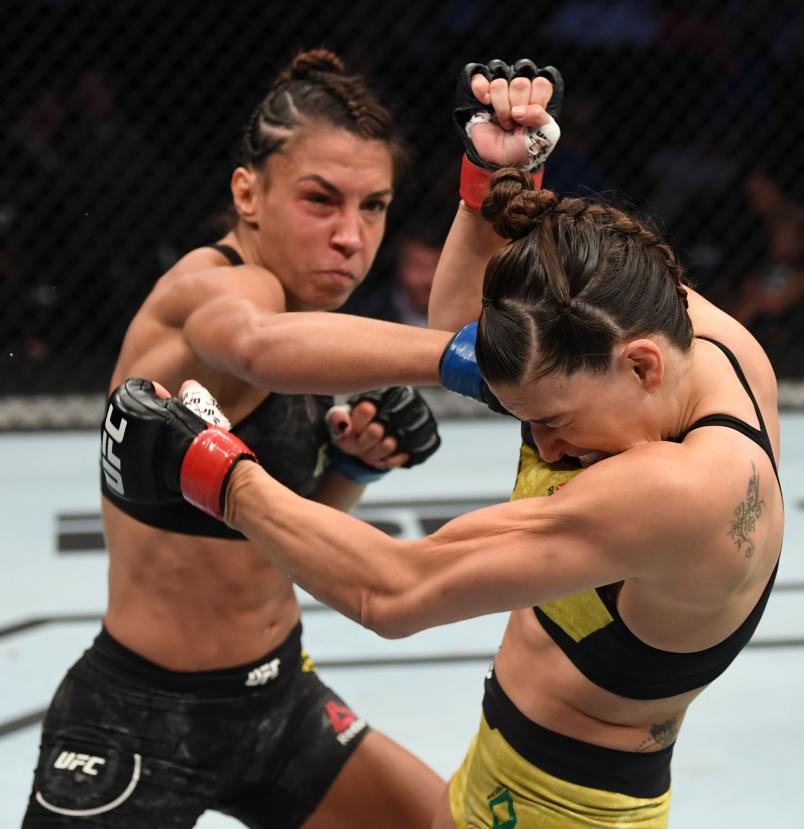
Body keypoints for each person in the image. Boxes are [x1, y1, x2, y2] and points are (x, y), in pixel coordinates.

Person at [104, 62, 784, 827]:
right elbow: (473, 331)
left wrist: (215, 469)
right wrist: (491, 184)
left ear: (642, 365)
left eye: (554, 418)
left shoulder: (680, 488)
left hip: (552, 809)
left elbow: (395, 591)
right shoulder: (683, 332)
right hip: (510, 765)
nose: (545, 444)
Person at [22, 49, 451, 828]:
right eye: (321, 200)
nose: (351, 236)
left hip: (280, 701)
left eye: (374, 206)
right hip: (141, 715)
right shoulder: (221, 289)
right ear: (247, 192)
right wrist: (467, 356)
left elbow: (267, 536)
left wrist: (352, 468)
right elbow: (254, 346)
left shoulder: (305, 314)